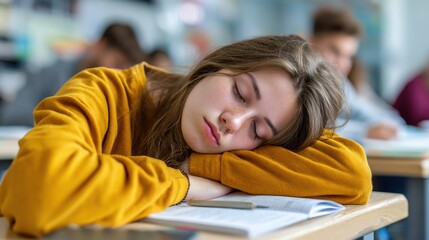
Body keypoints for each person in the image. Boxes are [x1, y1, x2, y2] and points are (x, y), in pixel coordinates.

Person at [0, 35, 372, 237]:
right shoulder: (104, 90)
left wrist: (203, 165)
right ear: (216, 64)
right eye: (240, 93)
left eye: (258, 130)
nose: (234, 122)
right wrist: (184, 183)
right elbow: (41, 189)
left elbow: (351, 174)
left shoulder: (229, 145)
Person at [0, 22, 146, 126]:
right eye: (117, 63)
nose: (118, 73)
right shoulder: (55, 72)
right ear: (99, 45)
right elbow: (12, 114)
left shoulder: (114, 94)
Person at [309, 7, 405, 141]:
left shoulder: (341, 84)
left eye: (349, 57)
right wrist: (365, 131)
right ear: (312, 44)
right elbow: (312, 127)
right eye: (335, 51)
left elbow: (384, 117)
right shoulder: (300, 82)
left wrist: (387, 126)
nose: (343, 64)